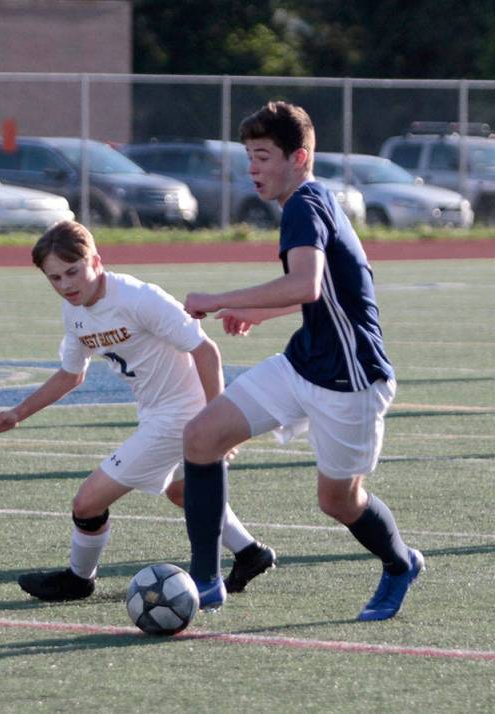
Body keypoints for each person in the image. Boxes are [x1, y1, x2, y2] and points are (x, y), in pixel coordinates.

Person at [179, 101, 422, 621]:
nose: (253, 168)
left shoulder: (303, 206)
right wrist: (258, 311)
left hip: (351, 380)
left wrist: (220, 298)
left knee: (338, 502)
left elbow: (307, 284)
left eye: (263, 156)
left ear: (300, 157)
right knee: (201, 438)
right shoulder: (313, 199)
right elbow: (330, 286)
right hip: (302, 363)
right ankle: (205, 581)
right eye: (249, 156)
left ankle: (400, 563)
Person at [0, 220, 275, 601]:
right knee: (182, 491)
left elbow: (206, 351)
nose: (66, 285)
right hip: (156, 413)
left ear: (96, 262)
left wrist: (217, 422)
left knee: (87, 503)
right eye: (55, 278)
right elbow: (71, 374)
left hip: (181, 416)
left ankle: (78, 579)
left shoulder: (138, 298)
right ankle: (250, 553)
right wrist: (17, 414)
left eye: (73, 271)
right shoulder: (75, 311)